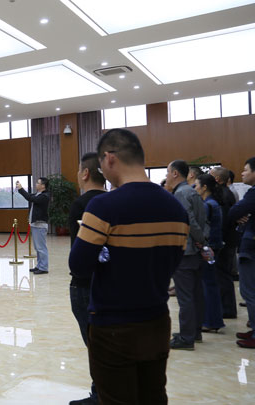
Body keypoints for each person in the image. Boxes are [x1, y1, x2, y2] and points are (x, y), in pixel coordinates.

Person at [69, 128, 188, 404]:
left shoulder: (103, 206)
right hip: (157, 321)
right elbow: (173, 261)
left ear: (109, 158)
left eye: (101, 164)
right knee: (153, 395)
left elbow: (79, 265)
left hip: (113, 325)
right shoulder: (176, 208)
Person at [67, 152, 106, 405]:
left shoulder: (81, 205)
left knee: (94, 343)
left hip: (86, 284)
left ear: (85, 173)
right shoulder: (114, 201)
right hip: (111, 282)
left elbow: (78, 254)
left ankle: (100, 394)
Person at [166, 160, 208, 350]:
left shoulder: (181, 193)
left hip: (185, 250)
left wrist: (200, 239)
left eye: (168, 172)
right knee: (195, 294)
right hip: (194, 250)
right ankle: (195, 331)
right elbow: (201, 220)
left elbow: (188, 221)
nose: (166, 176)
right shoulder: (191, 191)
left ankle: (186, 337)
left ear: (175, 173)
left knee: (185, 296)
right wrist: (202, 241)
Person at [194, 174, 226, 333]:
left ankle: (210, 321)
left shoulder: (207, 205)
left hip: (208, 248)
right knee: (211, 283)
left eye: (196, 185)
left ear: (204, 187)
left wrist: (199, 242)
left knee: (207, 284)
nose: (195, 188)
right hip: (215, 247)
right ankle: (213, 319)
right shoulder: (214, 203)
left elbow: (203, 229)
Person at [229, 157, 255, 348]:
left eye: (246, 170)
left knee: (249, 291)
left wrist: (241, 215)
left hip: (251, 248)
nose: (242, 173)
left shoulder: (253, 194)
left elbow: (235, 211)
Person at [210, 166, 240, 317]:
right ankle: (226, 308)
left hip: (224, 240)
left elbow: (222, 221)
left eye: (210, 175)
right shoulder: (225, 192)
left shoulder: (222, 195)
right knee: (223, 274)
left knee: (222, 275)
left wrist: (217, 240)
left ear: (217, 179)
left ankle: (227, 309)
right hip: (229, 239)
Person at [16, 177, 50, 274]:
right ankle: (39, 265)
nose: (36, 184)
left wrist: (21, 189)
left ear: (43, 186)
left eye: (38, 183)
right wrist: (21, 190)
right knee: (38, 248)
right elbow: (30, 196)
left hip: (40, 225)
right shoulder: (38, 194)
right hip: (35, 224)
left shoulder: (44, 196)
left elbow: (30, 198)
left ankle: (43, 267)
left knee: (41, 247)